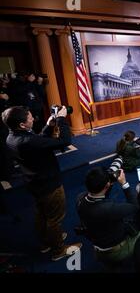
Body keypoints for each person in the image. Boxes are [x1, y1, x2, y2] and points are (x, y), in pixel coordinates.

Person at [2, 105, 81, 261]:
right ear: (22, 125)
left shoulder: (12, 137)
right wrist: (62, 119)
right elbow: (64, 141)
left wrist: (48, 126)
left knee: (42, 215)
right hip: (49, 184)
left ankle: (46, 243)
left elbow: (37, 141)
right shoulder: (26, 141)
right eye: (30, 118)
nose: (33, 118)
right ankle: (59, 250)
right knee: (54, 219)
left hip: (34, 183)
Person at [77, 167, 140, 266]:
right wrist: (124, 183)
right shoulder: (110, 209)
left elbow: (101, 195)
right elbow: (135, 206)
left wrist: (108, 183)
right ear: (107, 185)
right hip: (114, 250)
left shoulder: (80, 199)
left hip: (98, 243)